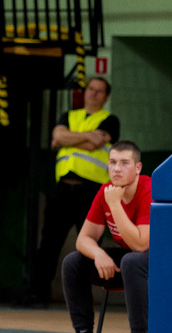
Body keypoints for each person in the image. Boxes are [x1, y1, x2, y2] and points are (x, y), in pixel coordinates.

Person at [55, 140, 149, 333]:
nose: (116, 169)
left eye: (124, 163)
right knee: (73, 262)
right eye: (113, 162)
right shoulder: (105, 191)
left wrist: (115, 205)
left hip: (160, 264)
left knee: (131, 260)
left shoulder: (148, 189)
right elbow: (83, 239)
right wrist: (99, 254)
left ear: (138, 168)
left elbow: (140, 244)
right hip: (130, 263)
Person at [27, 76, 119, 306]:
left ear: (106, 97)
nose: (93, 93)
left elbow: (92, 143)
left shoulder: (110, 120)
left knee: (89, 245)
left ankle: (83, 298)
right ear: (84, 92)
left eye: (99, 91)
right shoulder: (69, 115)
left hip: (92, 193)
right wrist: (86, 136)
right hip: (62, 191)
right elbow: (63, 136)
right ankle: (38, 295)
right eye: (91, 89)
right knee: (49, 244)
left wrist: (67, 139)